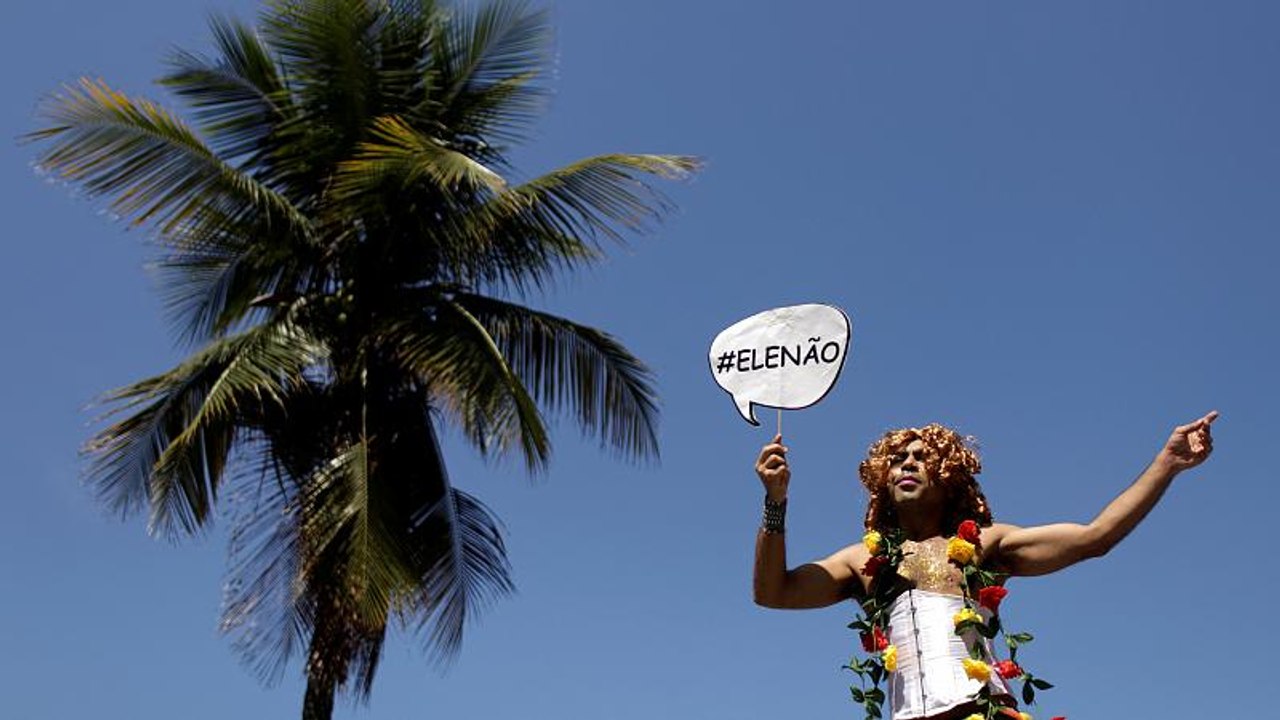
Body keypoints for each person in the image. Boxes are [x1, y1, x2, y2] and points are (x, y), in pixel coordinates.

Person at [752, 411, 1218, 720]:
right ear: (881, 478)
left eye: (921, 457)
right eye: (896, 460)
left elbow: (1095, 538)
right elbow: (774, 592)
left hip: (984, 710)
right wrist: (776, 502)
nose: (907, 465)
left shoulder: (983, 545)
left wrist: (1167, 464)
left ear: (948, 476)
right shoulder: (862, 560)